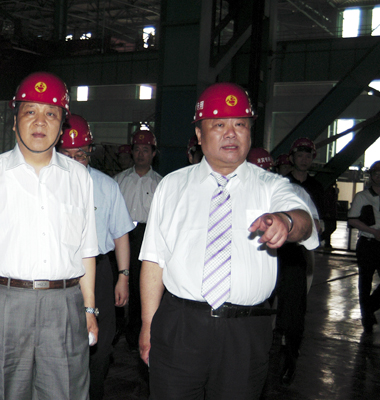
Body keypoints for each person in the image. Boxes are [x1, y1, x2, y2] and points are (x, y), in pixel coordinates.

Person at [138, 82, 318, 399]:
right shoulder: (172, 186)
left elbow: (304, 221)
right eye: (219, 125)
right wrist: (147, 324)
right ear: (199, 134)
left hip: (245, 332)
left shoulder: (271, 186)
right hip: (181, 325)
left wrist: (286, 221)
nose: (231, 134)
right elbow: (154, 260)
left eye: (240, 125)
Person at [0, 72, 99, 400]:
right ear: (15, 121)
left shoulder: (79, 178)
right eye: (30, 112)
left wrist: (89, 310)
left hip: (64, 305)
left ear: (62, 125)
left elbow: (86, 251)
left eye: (51, 114)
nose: (40, 122)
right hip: (4, 304)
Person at [57, 114, 135, 400]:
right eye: (68, 155)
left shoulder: (106, 186)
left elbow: (120, 234)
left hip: (100, 271)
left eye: (81, 154)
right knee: (61, 345)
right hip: (62, 273)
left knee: (100, 346)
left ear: (90, 151)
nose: (76, 161)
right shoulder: (48, 187)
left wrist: (123, 276)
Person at [247, 147, 319, 386]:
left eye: (266, 170)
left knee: (292, 313)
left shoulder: (292, 191)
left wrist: (292, 225)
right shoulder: (240, 192)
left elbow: (314, 224)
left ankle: (290, 356)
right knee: (257, 309)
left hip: (290, 259)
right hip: (257, 259)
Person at [114, 130, 162, 350]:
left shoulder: (161, 184)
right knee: (120, 283)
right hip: (122, 236)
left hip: (147, 237)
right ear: (131, 152)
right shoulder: (119, 181)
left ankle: (139, 332)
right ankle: (116, 329)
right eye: (137, 149)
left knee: (142, 286)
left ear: (153, 153)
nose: (141, 154)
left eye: (146, 149)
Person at [348, 161, 380, 333]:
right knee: (365, 282)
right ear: (371, 175)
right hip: (368, 244)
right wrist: (373, 231)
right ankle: (367, 318)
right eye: (376, 173)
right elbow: (352, 219)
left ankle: (369, 308)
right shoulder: (362, 196)